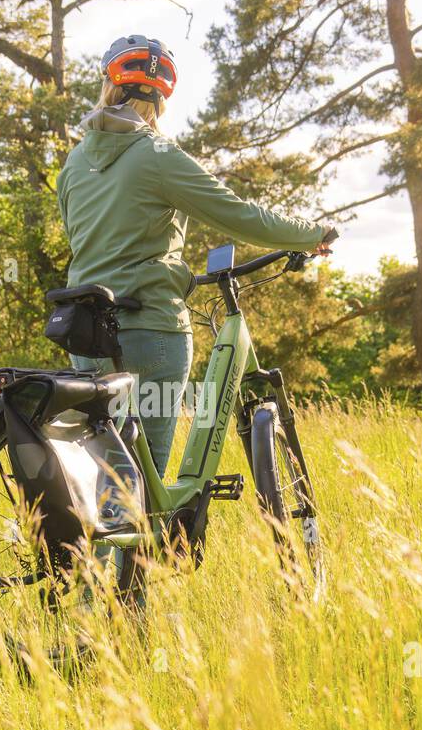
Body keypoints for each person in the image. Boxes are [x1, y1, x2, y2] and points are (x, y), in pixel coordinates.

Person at [56, 34, 333, 476]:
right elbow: (238, 215)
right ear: (160, 98)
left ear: (108, 85)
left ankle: (100, 546)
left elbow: (82, 238)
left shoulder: (73, 163)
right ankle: (155, 543)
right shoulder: (157, 153)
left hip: (86, 338)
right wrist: (310, 234)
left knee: (109, 481)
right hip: (150, 330)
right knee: (147, 488)